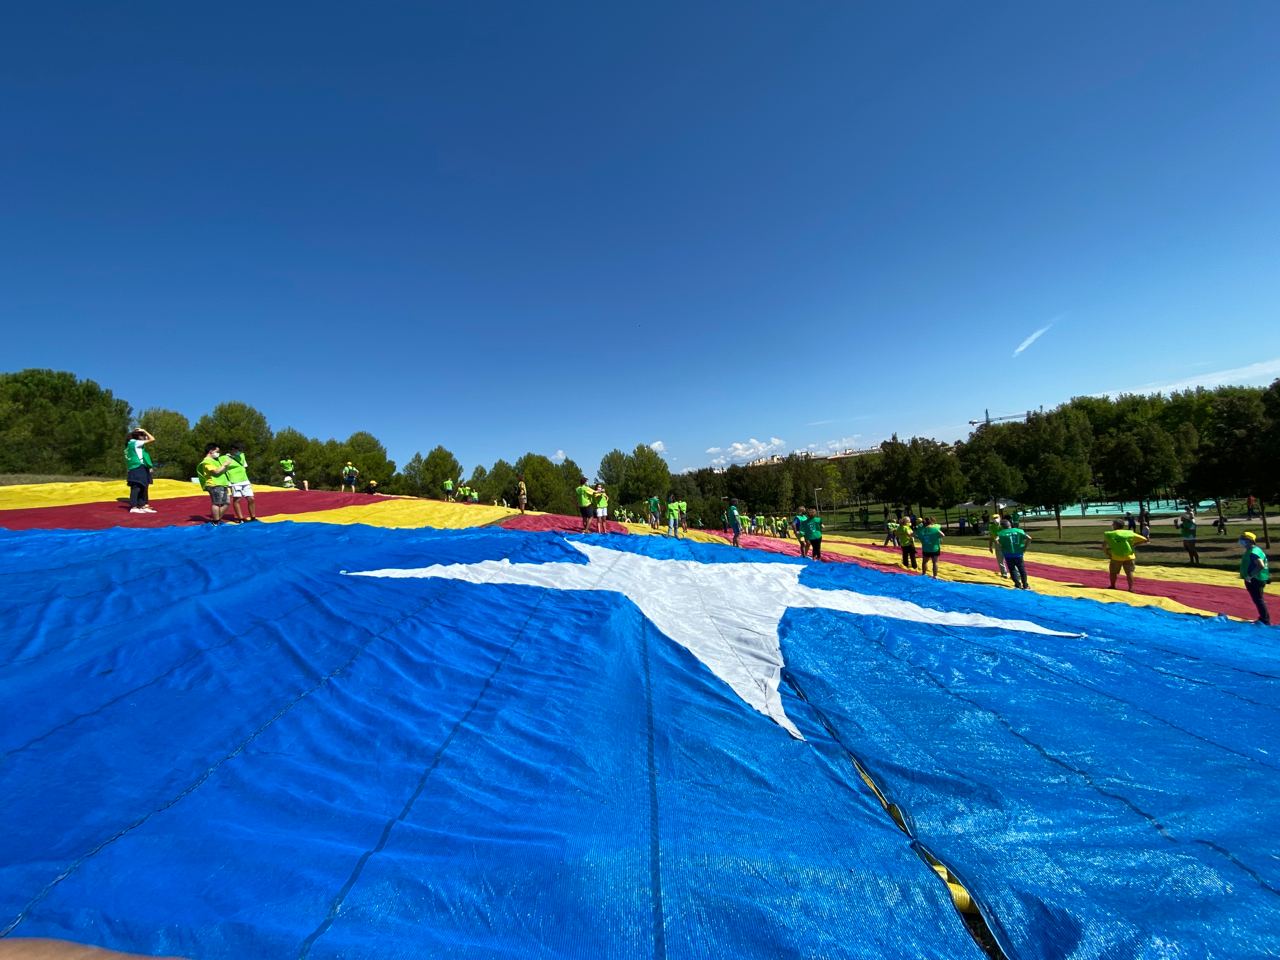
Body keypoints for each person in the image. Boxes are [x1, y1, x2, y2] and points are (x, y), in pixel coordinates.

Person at [1103, 519, 1148, 591]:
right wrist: (1133, 545)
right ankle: (1130, 588)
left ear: (1115, 525)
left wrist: (1107, 553)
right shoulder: (1129, 533)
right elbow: (1145, 539)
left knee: (1113, 572)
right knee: (1129, 572)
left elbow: (1104, 546)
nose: (1112, 525)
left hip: (1116, 557)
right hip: (1129, 556)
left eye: (1113, 524)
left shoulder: (1110, 534)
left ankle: (1112, 585)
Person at [1238, 531, 1271, 626]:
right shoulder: (1255, 550)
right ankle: (1263, 618)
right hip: (1257, 578)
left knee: (1258, 600)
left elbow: (1260, 565)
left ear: (1249, 541)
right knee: (1258, 599)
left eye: (1243, 539)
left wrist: (1250, 576)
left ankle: (1265, 620)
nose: (1241, 541)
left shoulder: (1253, 552)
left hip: (1255, 579)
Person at [197, 443, 235, 524]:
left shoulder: (215, 460)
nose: (218, 453)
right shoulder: (206, 461)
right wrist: (225, 464)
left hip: (222, 484)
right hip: (214, 484)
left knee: (226, 503)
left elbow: (222, 470)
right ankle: (216, 521)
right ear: (211, 451)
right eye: (217, 451)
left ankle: (216, 519)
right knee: (217, 503)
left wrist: (227, 463)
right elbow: (216, 472)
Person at [124, 428, 157, 514]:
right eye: (143, 435)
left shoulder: (130, 444)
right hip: (137, 467)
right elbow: (152, 439)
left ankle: (142, 505)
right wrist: (145, 430)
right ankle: (134, 506)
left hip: (136, 467)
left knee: (142, 486)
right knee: (137, 487)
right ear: (139, 436)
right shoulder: (135, 442)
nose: (145, 437)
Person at [222, 444, 257, 521]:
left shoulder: (242, 455)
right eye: (238, 450)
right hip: (234, 481)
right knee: (237, 499)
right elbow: (222, 470)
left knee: (251, 499)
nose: (239, 452)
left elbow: (244, 466)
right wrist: (228, 483)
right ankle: (240, 518)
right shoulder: (223, 458)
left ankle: (253, 517)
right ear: (232, 449)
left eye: (240, 450)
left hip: (245, 480)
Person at [997, 517, 1032, 590]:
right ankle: (1025, 585)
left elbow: (996, 539)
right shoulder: (1019, 531)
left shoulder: (1001, 533)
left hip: (1008, 554)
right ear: (1010, 524)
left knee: (1012, 569)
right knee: (1021, 569)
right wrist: (1025, 547)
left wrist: (1000, 546)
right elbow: (1029, 538)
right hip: (1018, 553)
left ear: (1002, 526)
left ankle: (1017, 584)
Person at [986, 514, 1006, 578]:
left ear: (1000, 518)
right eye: (994, 518)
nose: (995, 519)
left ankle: (1015, 573)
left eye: (996, 518)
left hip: (1006, 544)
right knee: (1000, 560)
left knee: (1010, 559)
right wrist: (990, 546)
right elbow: (991, 536)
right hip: (997, 545)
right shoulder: (991, 527)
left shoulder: (1004, 524)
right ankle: (1004, 573)